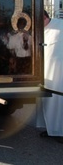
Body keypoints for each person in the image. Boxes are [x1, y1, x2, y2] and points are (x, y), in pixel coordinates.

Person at [36, 10, 63, 142]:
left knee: (59, 103)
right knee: (47, 102)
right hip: (46, 74)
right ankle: (51, 129)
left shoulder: (60, 25)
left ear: (45, 17)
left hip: (60, 74)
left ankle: (60, 132)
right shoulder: (38, 32)